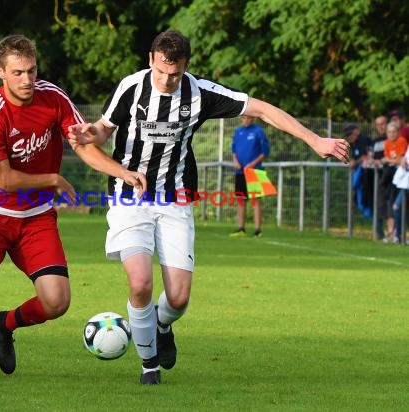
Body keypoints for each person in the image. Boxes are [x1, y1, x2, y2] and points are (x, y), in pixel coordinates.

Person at [67, 30, 350, 385]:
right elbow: (103, 130)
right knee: (140, 283)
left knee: (179, 298)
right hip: (130, 196)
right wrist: (86, 134)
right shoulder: (132, 87)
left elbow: (262, 109)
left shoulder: (200, 92)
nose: (167, 80)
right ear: (151, 59)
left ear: (185, 66)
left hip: (176, 200)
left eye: (175, 73)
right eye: (161, 72)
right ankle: (149, 366)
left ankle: (161, 323)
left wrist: (314, 139)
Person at [0, 34, 146, 379]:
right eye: (17, 73)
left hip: (36, 219)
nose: (27, 80)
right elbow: (1, 179)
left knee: (57, 302)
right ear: (0, 71)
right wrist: (52, 180)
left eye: (31, 71)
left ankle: (5, 323)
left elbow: (82, 143)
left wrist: (122, 172)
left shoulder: (53, 97)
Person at [230, 114, 271, 237]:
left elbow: (265, 152)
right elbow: (234, 149)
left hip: (255, 171)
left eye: (249, 118)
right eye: (244, 118)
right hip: (240, 172)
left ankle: (258, 230)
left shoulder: (259, 131)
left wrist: (252, 164)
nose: (246, 120)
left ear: (253, 119)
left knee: (256, 200)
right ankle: (241, 228)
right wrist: (235, 161)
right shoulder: (238, 131)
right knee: (240, 200)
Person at [382, 121, 408, 243]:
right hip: (399, 181)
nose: (392, 134)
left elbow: (400, 159)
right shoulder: (387, 143)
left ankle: (399, 234)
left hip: (403, 181)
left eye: (394, 132)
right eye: (389, 132)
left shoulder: (402, 141)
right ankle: (397, 234)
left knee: (398, 207)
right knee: (395, 206)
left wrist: (394, 160)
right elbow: (387, 158)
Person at [344, 123, 373, 218]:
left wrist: (355, 162)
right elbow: (355, 158)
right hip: (361, 180)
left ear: (357, 131)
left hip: (367, 177)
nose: (349, 137)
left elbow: (366, 157)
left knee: (367, 203)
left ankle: (377, 229)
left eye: (350, 134)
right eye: (347, 135)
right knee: (361, 203)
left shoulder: (364, 140)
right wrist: (352, 160)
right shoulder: (353, 144)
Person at [369, 115, 388, 239]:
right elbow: (371, 155)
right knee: (378, 205)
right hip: (377, 177)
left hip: (389, 177)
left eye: (382, 124)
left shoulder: (391, 138)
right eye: (378, 124)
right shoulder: (375, 141)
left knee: (390, 205)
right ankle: (379, 233)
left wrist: (381, 161)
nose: (380, 127)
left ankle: (394, 233)